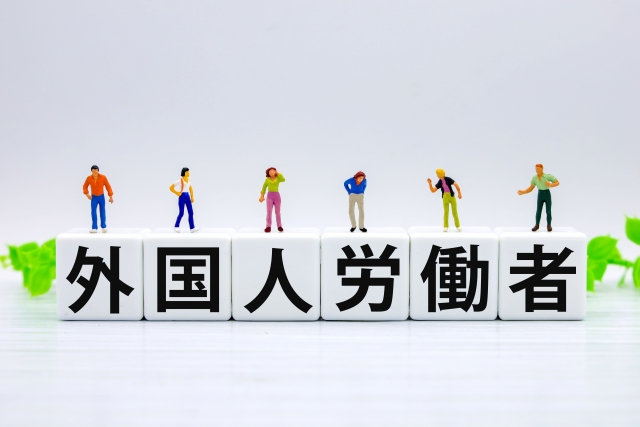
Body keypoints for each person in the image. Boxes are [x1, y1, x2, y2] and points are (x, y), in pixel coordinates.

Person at [517, 163, 559, 232]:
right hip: (540, 194)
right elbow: (531, 188)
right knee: (538, 211)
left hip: (547, 194)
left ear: (542, 169)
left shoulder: (547, 176)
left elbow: (557, 182)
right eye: (536, 169)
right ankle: (537, 225)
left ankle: (549, 225)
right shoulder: (535, 178)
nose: (537, 170)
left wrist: (551, 185)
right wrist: (523, 192)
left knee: (548, 211)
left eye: (538, 169)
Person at [83, 165, 113, 233]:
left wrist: (110, 197)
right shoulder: (89, 178)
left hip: (101, 197)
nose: (95, 172)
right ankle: (94, 228)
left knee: (102, 211)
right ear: (91, 171)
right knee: (93, 212)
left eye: (96, 170)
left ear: (98, 170)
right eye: (93, 171)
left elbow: (108, 187)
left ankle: (103, 227)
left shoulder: (103, 177)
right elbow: (85, 186)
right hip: (94, 198)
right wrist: (87, 194)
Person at [170, 167, 198, 233]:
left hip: (187, 197)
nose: (189, 173)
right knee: (181, 213)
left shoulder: (189, 181)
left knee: (191, 212)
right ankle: (176, 226)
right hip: (182, 196)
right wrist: (177, 193)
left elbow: (191, 189)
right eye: (187, 172)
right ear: (184, 173)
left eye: (188, 172)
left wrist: (192, 197)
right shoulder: (180, 181)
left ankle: (192, 228)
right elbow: (171, 188)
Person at [259, 167, 285, 232]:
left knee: (277, 212)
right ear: (268, 173)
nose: (271, 172)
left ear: (275, 171)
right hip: (269, 196)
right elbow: (264, 188)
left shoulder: (278, 178)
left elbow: (283, 179)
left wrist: (278, 173)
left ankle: (279, 226)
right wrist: (262, 196)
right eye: (270, 171)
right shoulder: (267, 180)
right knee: (269, 211)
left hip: (277, 196)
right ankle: (268, 226)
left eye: (273, 171)